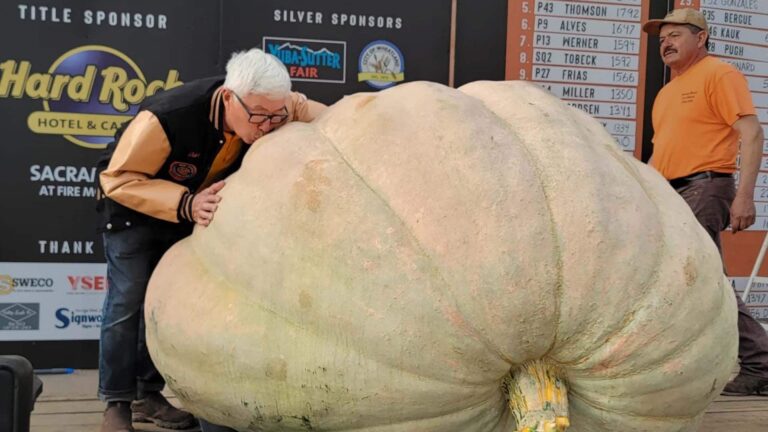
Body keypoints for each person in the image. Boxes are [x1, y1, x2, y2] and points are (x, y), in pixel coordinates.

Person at [96, 48, 326, 432]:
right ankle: (116, 402)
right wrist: (185, 204)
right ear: (226, 98)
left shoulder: (278, 106)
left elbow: (334, 120)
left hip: (193, 207)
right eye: (259, 115)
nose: (269, 125)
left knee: (169, 304)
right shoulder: (167, 115)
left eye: (276, 115)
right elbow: (119, 179)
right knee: (127, 304)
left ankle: (148, 396)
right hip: (133, 210)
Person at [643, 8, 768, 396]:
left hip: (706, 186)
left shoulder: (718, 74)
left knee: (704, 278)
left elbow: (752, 133)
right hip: (670, 193)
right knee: (685, 279)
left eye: (677, 34)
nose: (666, 42)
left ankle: (760, 363)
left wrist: (744, 195)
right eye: (663, 37)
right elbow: (658, 155)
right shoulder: (665, 94)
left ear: (701, 39)